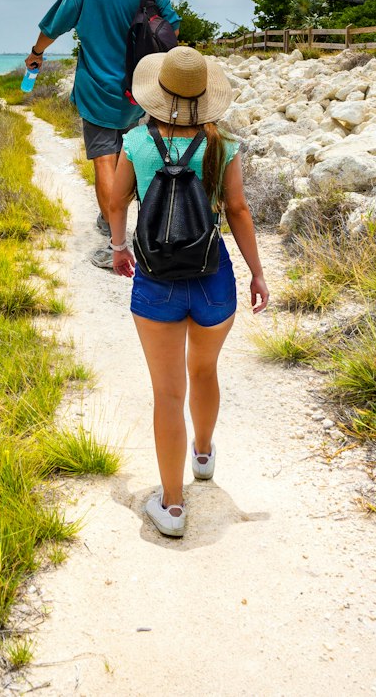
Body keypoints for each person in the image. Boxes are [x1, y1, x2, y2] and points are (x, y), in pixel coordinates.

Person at [100, 45, 269, 538]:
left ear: (159, 91)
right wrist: (257, 273)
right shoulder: (224, 146)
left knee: (167, 393)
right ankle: (202, 454)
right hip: (212, 276)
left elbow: (116, 201)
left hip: (156, 280)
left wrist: (117, 248)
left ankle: (172, 507)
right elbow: (237, 211)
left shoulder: (136, 142)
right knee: (205, 369)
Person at [26, 0, 179, 268]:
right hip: (141, 88)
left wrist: (36, 53)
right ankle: (129, 228)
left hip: (97, 89)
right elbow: (172, 28)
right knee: (136, 159)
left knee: (105, 160)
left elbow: (51, 27)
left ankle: (116, 245)